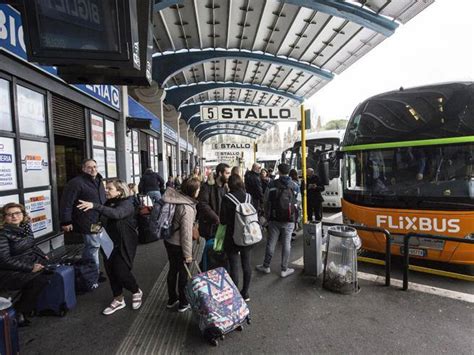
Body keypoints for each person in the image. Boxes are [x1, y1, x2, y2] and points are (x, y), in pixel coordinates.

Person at [77, 179, 143, 316]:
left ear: (119, 191)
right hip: (107, 241)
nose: (106, 190)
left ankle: (136, 290)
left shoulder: (127, 203)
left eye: (109, 188)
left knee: (121, 272)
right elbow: (103, 220)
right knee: (111, 272)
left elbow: (117, 214)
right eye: (105, 188)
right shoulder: (109, 202)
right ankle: (118, 299)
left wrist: (94, 205)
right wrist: (94, 227)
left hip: (124, 242)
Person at [0, 203, 50, 326]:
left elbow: (32, 245)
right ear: (4, 217)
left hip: (25, 263)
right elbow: (4, 260)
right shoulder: (2, 234)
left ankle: (31, 306)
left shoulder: (25, 227)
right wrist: (30, 268)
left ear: (23, 215)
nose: (14, 216)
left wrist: (43, 255)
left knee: (49, 272)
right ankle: (19, 311)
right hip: (8, 271)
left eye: (17, 213)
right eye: (10, 214)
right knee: (39, 280)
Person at [60, 158, 106, 282]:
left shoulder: (99, 180)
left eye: (95, 167)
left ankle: (90, 271)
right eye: (89, 167)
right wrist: (66, 221)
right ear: (83, 169)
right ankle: (93, 274)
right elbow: (66, 202)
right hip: (86, 220)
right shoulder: (76, 183)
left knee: (93, 246)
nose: (93, 169)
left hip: (98, 220)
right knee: (93, 246)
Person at [162, 177, 200, 312]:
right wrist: (188, 254)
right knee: (184, 274)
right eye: (198, 188)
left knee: (173, 270)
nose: (199, 191)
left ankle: (172, 299)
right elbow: (186, 235)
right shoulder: (187, 208)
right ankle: (183, 303)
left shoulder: (176, 198)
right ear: (193, 191)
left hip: (169, 240)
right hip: (179, 244)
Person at [256, 163, 297, 278]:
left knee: (271, 242)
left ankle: (266, 266)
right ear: (289, 172)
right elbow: (298, 203)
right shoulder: (294, 185)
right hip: (289, 220)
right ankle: (284, 269)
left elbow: (265, 201)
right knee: (286, 243)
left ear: (278, 171)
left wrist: (267, 215)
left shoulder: (272, 184)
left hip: (274, 219)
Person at [219, 175, 253, 302]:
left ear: (230, 185)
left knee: (234, 266)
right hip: (248, 235)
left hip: (232, 236)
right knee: (246, 264)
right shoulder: (249, 197)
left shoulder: (227, 198)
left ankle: (235, 295)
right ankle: (245, 292)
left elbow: (223, 220)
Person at [197, 163, 230, 240]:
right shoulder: (207, 186)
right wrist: (216, 218)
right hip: (209, 226)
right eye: (227, 173)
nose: (229, 176)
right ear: (220, 173)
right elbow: (203, 204)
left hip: (221, 226)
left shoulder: (225, 187)